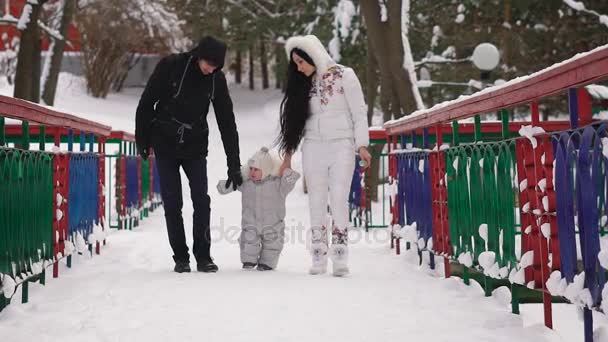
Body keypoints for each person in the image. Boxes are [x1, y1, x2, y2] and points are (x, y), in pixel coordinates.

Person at [135, 36, 242, 273]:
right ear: (198, 55)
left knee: (201, 200)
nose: (210, 69)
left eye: (215, 66)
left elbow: (227, 122)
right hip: (165, 141)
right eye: (207, 63)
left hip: (194, 145)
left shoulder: (216, 80)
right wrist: (142, 138)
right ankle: (181, 258)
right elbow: (147, 102)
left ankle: (203, 256)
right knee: (173, 202)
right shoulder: (171, 66)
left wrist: (233, 164)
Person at [277, 35, 372, 277]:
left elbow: (359, 113)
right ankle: (318, 254)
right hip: (313, 147)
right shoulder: (302, 83)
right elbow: (293, 125)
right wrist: (287, 157)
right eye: (295, 63)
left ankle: (340, 255)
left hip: (342, 144)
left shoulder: (344, 75)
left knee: (339, 196)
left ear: (313, 55)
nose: (299, 67)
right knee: (316, 199)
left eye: (301, 61)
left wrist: (362, 144)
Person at [217, 147, 300, 271]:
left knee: (273, 244)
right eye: (250, 169)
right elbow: (231, 185)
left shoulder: (278, 185)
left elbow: (290, 181)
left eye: (256, 169)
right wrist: (224, 186)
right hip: (251, 223)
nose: (252, 172)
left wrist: (287, 170)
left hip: (273, 224)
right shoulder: (246, 183)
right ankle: (248, 261)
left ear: (266, 170)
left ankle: (267, 263)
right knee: (248, 241)